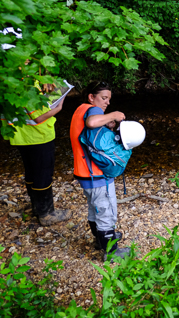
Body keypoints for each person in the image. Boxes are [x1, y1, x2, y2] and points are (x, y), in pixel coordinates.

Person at [69, 82, 130, 261]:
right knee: (105, 211)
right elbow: (92, 122)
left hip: (83, 173)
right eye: (104, 98)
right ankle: (111, 253)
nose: (107, 103)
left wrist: (106, 124)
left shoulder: (80, 109)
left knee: (94, 209)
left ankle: (100, 240)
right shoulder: (93, 111)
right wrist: (114, 115)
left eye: (108, 100)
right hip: (96, 175)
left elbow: (91, 131)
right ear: (91, 97)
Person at [1, 84, 72, 226]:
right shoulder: (26, 84)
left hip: (19, 134)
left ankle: (37, 207)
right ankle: (46, 214)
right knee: (43, 173)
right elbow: (39, 117)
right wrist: (60, 103)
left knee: (31, 171)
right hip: (38, 136)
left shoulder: (7, 80)